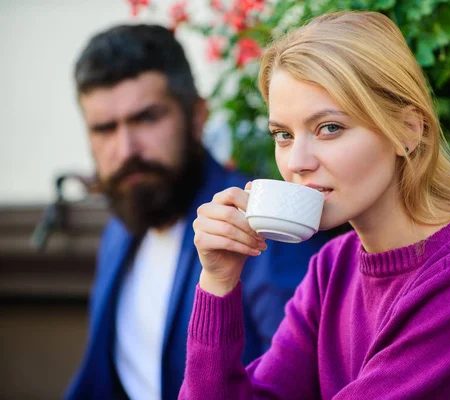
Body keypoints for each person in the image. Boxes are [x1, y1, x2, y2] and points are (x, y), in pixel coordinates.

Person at [178, 11, 450, 399]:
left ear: (406, 130)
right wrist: (217, 282)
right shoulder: (333, 268)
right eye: (283, 135)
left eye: (329, 128)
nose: (297, 162)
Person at [64, 24, 328, 400]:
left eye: (146, 118)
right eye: (105, 129)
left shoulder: (260, 222)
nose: (126, 150)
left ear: (197, 115)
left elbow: (302, 386)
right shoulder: (122, 228)